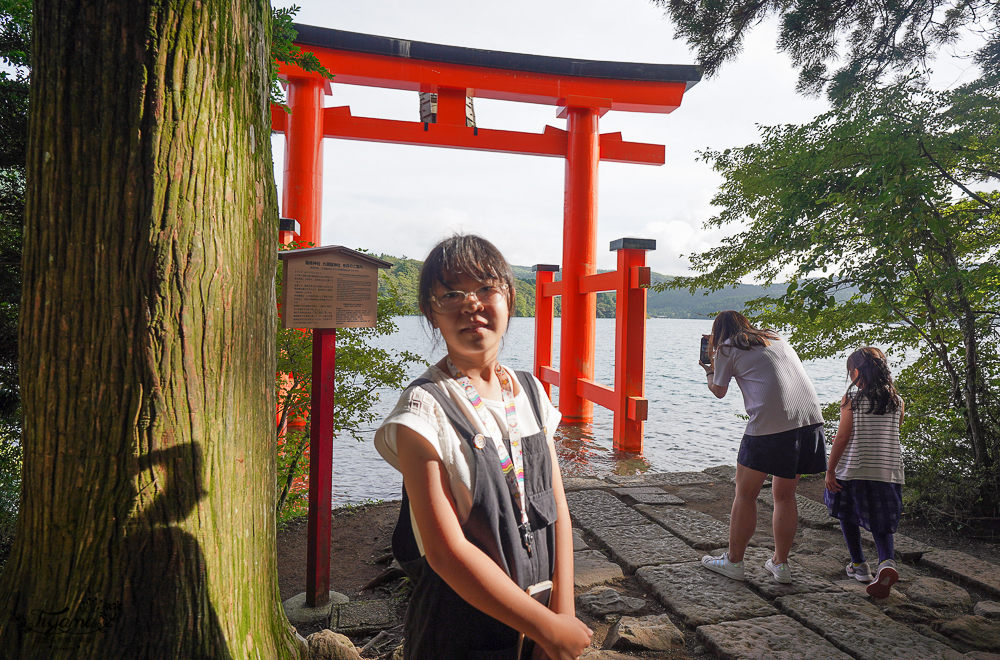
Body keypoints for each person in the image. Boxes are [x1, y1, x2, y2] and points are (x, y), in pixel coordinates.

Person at [374, 235, 592, 660]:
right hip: (461, 631)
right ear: (431, 312)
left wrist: (561, 615)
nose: (471, 304)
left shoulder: (530, 393)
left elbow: (558, 512)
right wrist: (548, 628)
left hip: (541, 625)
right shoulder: (424, 411)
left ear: (509, 299)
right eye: (451, 293)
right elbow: (444, 551)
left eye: (486, 288)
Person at [699, 310, 826, 584]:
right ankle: (780, 565)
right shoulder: (774, 338)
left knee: (745, 493)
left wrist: (709, 369)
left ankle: (733, 562)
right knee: (785, 495)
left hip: (769, 428)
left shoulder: (726, 347)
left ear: (718, 333)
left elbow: (719, 391)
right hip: (810, 421)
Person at [824, 347, 905, 599]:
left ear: (857, 372)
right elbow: (894, 431)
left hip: (853, 470)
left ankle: (859, 565)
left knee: (846, 512)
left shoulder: (853, 400)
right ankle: (887, 562)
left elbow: (842, 437)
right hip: (887, 472)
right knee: (882, 522)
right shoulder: (897, 401)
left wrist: (830, 470)